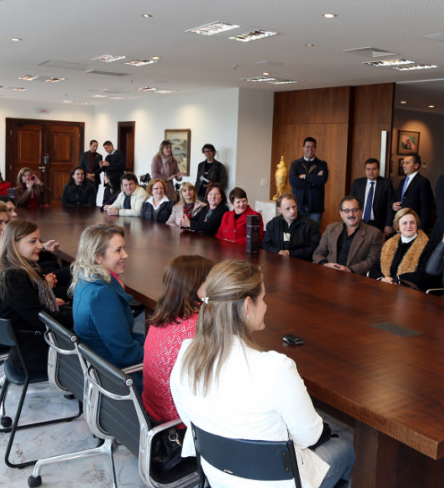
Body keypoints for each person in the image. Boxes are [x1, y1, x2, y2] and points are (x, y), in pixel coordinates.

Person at [169, 260, 355, 488]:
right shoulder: (276, 368)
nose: (266, 305)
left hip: (217, 476)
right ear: (248, 306)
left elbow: (190, 419)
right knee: (349, 444)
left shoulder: (186, 354)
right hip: (276, 482)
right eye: (263, 298)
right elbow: (310, 437)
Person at [0, 220, 73, 375]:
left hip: (26, 347)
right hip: (36, 354)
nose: (39, 245)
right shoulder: (13, 276)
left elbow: (32, 309)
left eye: (39, 240)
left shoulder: (10, 268)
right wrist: (82, 315)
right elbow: (43, 319)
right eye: (33, 241)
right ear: (14, 244)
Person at [143, 255, 214, 425]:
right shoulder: (199, 326)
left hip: (152, 409)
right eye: (210, 280)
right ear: (195, 285)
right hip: (178, 420)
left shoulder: (162, 316)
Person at [71, 223, 144, 372]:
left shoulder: (85, 279)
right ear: (98, 257)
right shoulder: (102, 294)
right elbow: (126, 354)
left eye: (124, 248)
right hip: (117, 374)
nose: (125, 255)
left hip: (99, 365)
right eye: (118, 250)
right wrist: (162, 353)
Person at [369, 208, 438, 291]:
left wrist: (397, 280)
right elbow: (375, 267)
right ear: (398, 226)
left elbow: (424, 275)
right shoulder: (389, 244)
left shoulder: (428, 246)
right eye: (404, 223)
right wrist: (382, 279)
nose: (409, 226)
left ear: (417, 224)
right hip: (386, 288)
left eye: (412, 222)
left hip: (411, 292)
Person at [312, 196, 383, 274]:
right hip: (329, 273)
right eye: (346, 211)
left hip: (354, 277)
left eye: (354, 210)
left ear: (361, 211)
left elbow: (371, 261)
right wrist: (325, 264)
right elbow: (318, 252)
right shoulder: (331, 228)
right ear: (341, 213)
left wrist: (350, 270)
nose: (351, 214)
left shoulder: (374, 233)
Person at [262, 193, 321, 261]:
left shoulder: (311, 225)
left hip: (301, 264)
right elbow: (266, 245)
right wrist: (278, 251)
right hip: (277, 262)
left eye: (294, 207)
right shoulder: (272, 224)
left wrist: (291, 253)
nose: (292, 211)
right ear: (279, 209)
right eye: (287, 208)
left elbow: (314, 248)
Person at [288, 136, 329, 225]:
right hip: (299, 206)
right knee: (298, 234)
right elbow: (293, 181)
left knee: (313, 234)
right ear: (303, 148)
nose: (310, 149)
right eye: (307, 146)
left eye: (313, 147)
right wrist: (313, 182)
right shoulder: (295, 164)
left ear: (316, 148)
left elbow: (321, 180)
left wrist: (305, 176)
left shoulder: (322, 164)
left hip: (315, 208)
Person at [350, 158, 395, 236]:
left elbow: (389, 205)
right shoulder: (357, 183)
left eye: (374, 169)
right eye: (368, 169)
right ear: (365, 170)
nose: (371, 171)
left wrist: (388, 224)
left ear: (378, 170)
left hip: (378, 223)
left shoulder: (386, 183)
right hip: (360, 221)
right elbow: (351, 202)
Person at [392, 153, 435, 233]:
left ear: (416, 166)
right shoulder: (402, 181)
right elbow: (397, 199)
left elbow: (426, 208)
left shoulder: (423, 182)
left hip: (414, 226)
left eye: (407, 163)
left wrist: (421, 229)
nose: (404, 165)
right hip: (400, 224)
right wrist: (393, 205)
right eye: (403, 163)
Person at [79, 139, 103, 205]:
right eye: (94, 146)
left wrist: (93, 174)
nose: (95, 148)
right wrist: (88, 175)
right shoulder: (84, 155)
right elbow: (81, 167)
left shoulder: (99, 156)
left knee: (93, 197)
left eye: (96, 146)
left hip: (95, 179)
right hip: (85, 179)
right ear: (90, 145)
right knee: (84, 197)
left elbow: (100, 168)